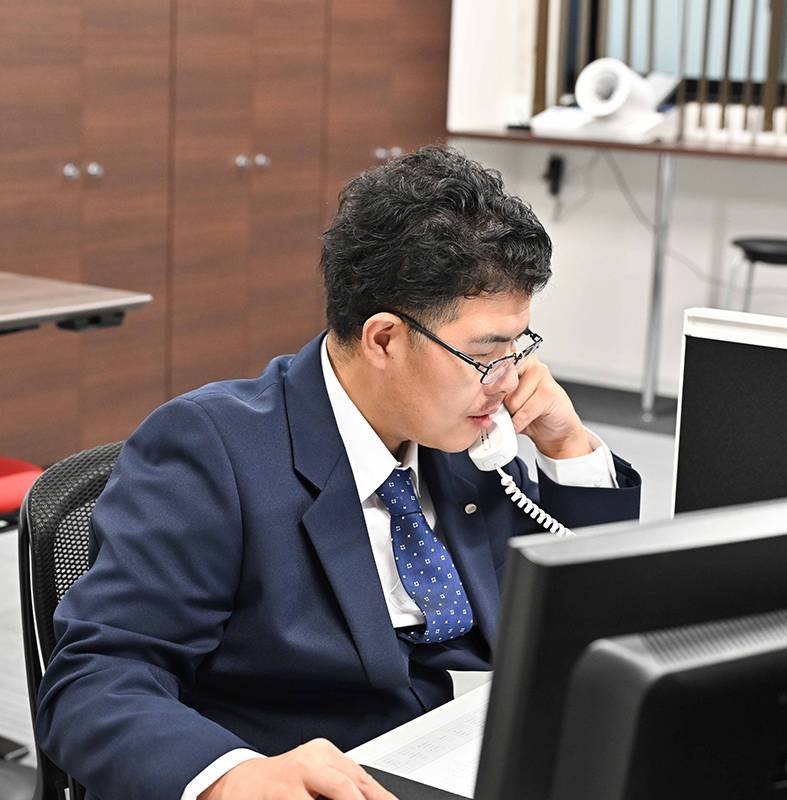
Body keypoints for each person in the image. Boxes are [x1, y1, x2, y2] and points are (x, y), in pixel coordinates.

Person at [36, 145, 641, 800]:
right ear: (384, 339)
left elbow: (580, 631)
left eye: (519, 346)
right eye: (486, 353)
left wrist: (566, 446)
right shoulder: (209, 449)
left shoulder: (458, 434)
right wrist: (229, 777)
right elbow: (95, 681)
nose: (509, 378)